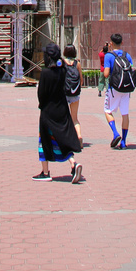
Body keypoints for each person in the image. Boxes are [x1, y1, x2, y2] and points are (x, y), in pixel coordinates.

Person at [33, 43, 82, 183]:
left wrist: (41, 106)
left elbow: (41, 94)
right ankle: (73, 163)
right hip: (62, 109)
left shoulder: (46, 73)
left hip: (48, 111)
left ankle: (45, 172)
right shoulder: (62, 71)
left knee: (44, 140)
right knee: (61, 139)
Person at [103, 32, 135, 149]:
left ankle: (115, 133)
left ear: (111, 43)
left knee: (107, 111)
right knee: (125, 114)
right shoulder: (127, 55)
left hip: (114, 88)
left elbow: (106, 74)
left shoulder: (109, 56)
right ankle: (124, 142)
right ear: (122, 42)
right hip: (126, 89)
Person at [63, 44, 83, 145]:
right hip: (75, 93)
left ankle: (66, 139)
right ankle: (79, 135)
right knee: (74, 118)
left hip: (64, 93)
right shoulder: (77, 63)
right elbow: (81, 80)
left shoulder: (62, 63)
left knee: (64, 117)